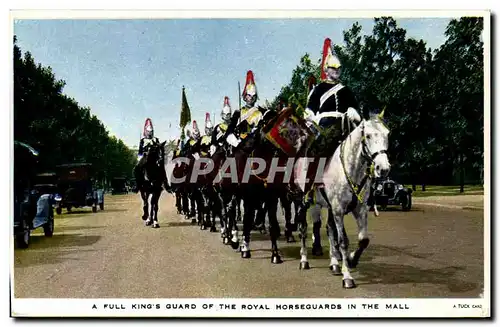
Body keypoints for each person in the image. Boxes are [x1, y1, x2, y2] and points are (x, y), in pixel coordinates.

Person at [224, 70, 267, 149]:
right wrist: (236, 142)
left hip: (257, 144)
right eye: (249, 95)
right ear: (245, 96)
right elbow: (230, 129)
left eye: (253, 96)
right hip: (241, 144)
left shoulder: (260, 111)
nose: (251, 98)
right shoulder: (238, 112)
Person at [133, 118, 160, 192]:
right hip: (145, 157)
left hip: (154, 158)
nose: (149, 133)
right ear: (145, 131)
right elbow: (140, 151)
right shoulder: (142, 140)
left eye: (151, 132)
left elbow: (159, 149)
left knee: (161, 168)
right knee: (136, 168)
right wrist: (139, 157)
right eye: (148, 131)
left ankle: (165, 184)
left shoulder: (156, 140)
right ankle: (137, 184)